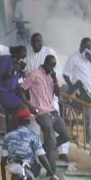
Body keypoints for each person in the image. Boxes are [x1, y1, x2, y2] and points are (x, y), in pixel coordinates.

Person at [20, 55, 71, 178]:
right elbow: (21, 90)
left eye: (54, 65)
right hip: (41, 113)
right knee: (52, 141)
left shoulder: (51, 76)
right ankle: (51, 172)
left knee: (65, 136)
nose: (52, 67)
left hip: (53, 111)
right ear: (45, 62)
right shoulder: (34, 74)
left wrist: (54, 79)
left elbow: (58, 94)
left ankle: (40, 152)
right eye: (50, 64)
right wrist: (29, 106)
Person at [25, 33, 70, 163]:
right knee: (36, 128)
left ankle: (62, 152)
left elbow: (57, 72)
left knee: (60, 131)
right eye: (34, 42)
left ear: (42, 41)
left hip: (50, 101)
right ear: (31, 42)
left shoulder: (48, 51)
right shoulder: (29, 54)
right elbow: (27, 76)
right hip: (35, 100)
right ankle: (39, 153)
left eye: (39, 41)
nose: (36, 44)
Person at [0, 108, 58, 180]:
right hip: (29, 172)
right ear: (28, 122)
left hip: (14, 173)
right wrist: (52, 174)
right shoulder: (33, 136)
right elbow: (41, 157)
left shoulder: (8, 137)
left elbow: (3, 160)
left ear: (17, 121)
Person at [0, 46, 27, 131]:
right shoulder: (5, 59)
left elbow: (15, 80)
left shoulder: (17, 64)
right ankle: (12, 129)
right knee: (20, 106)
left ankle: (10, 133)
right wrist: (13, 70)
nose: (20, 59)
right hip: (1, 91)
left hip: (11, 92)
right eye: (19, 56)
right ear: (15, 52)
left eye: (22, 57)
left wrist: (21, 70)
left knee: (11, 113)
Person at [62, 37, 91, 104]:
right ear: (81, 46)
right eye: (85, 47)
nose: (87, 50)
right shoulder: (73, 57)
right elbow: (65, 74)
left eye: (89, 48)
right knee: (81, 113)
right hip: (81, 93)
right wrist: (71, 87)